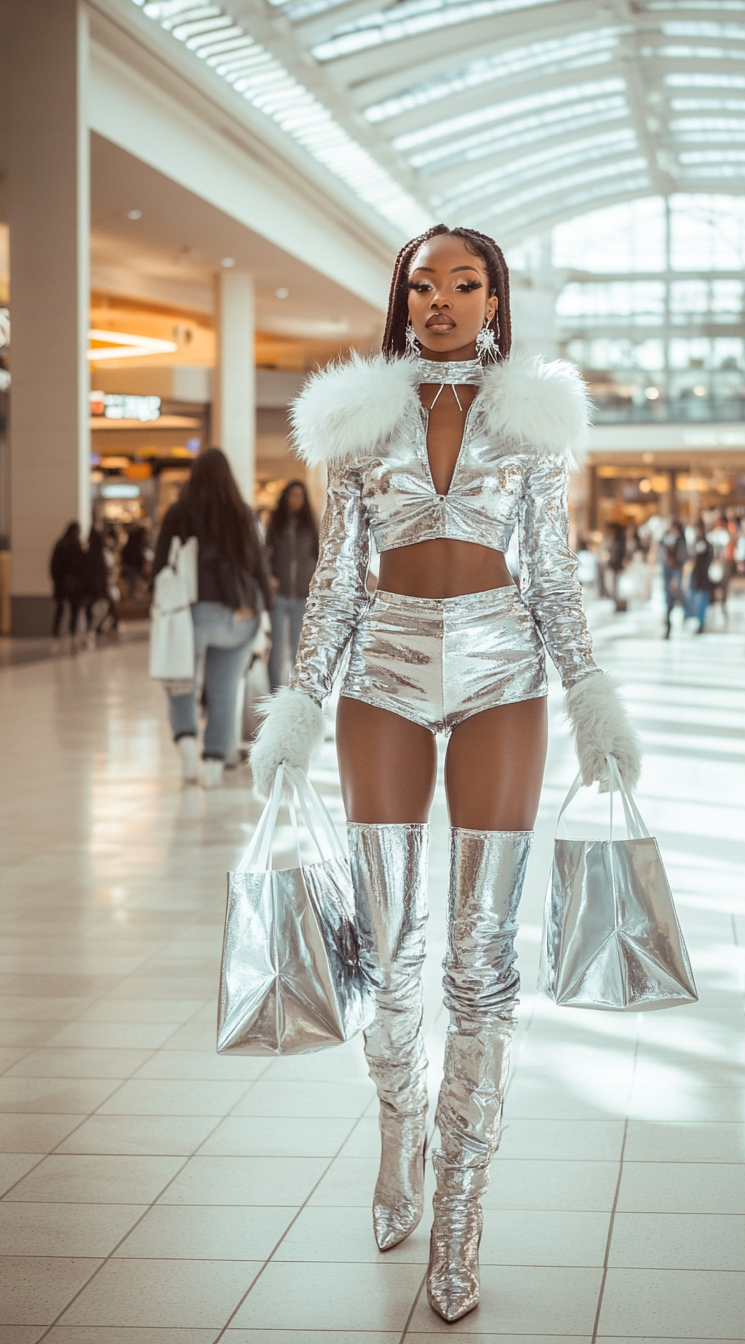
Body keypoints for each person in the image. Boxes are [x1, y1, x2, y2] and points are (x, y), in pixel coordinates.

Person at [248, 225, 641, 1323]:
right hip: (381, 670)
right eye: (422, 285)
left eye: (462, 284)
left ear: (493, 299)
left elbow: (553, 580)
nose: (440, 302)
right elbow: (333, 584)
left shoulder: (530, 418)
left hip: (502, 675)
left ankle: (461, 1212)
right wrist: (294, 710)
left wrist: (590, 697)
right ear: (401, 298)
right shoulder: (354, 419)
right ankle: (397, 1140)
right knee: (387, 944)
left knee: (477, 956)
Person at [152, 448, 272, 787]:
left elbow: (161, 563)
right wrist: (268, 613)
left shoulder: (180, 512)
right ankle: (214, 765)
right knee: (224, 693)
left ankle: (188, 744)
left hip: (193, 614)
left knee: (180, 684)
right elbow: (259, 568)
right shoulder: (242, 513)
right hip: (241, 617)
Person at [265, 479, 319, 690]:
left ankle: (295, 690)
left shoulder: (309, 526)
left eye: (299, 495)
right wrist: (269, 576)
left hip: (302, 595)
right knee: (277, 648)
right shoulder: (276, 524)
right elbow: (266, 553)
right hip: (279, 594)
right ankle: (275, 691)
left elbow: (318, 555)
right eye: (291, 495)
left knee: (298, 647)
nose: (295, 500)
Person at [49, 522, 85, 651]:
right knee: (71, 610)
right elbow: (82, 567)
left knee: (61, 610)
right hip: (73, 584)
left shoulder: (61, 544)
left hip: (62, 584)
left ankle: (56, 634)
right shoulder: (76, 545)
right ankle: (71, 633)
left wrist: (57, 580)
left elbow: (53, 565)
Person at [83, 524, 119, 640]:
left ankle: (96, 627)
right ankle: (100, 626)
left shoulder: (92, 553)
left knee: (100, 606)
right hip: (99, 585)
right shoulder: (99, 554)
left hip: (94, 585)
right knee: (108, 605)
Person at [659, 518, 687, 637]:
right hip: (667, 570)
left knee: (677, 593)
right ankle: (668, 623)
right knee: (668, 597)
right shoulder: (665, 537)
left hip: (676, 570)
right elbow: (660, 552)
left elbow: (683, 556)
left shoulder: (681, 539)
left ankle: (688, 614)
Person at [687, 521, 713, 634]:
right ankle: (699, 623)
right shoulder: (699, 542)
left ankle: (701, 624)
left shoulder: (704, 543)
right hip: (699, 577)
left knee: (701, 602)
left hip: (703, 578)